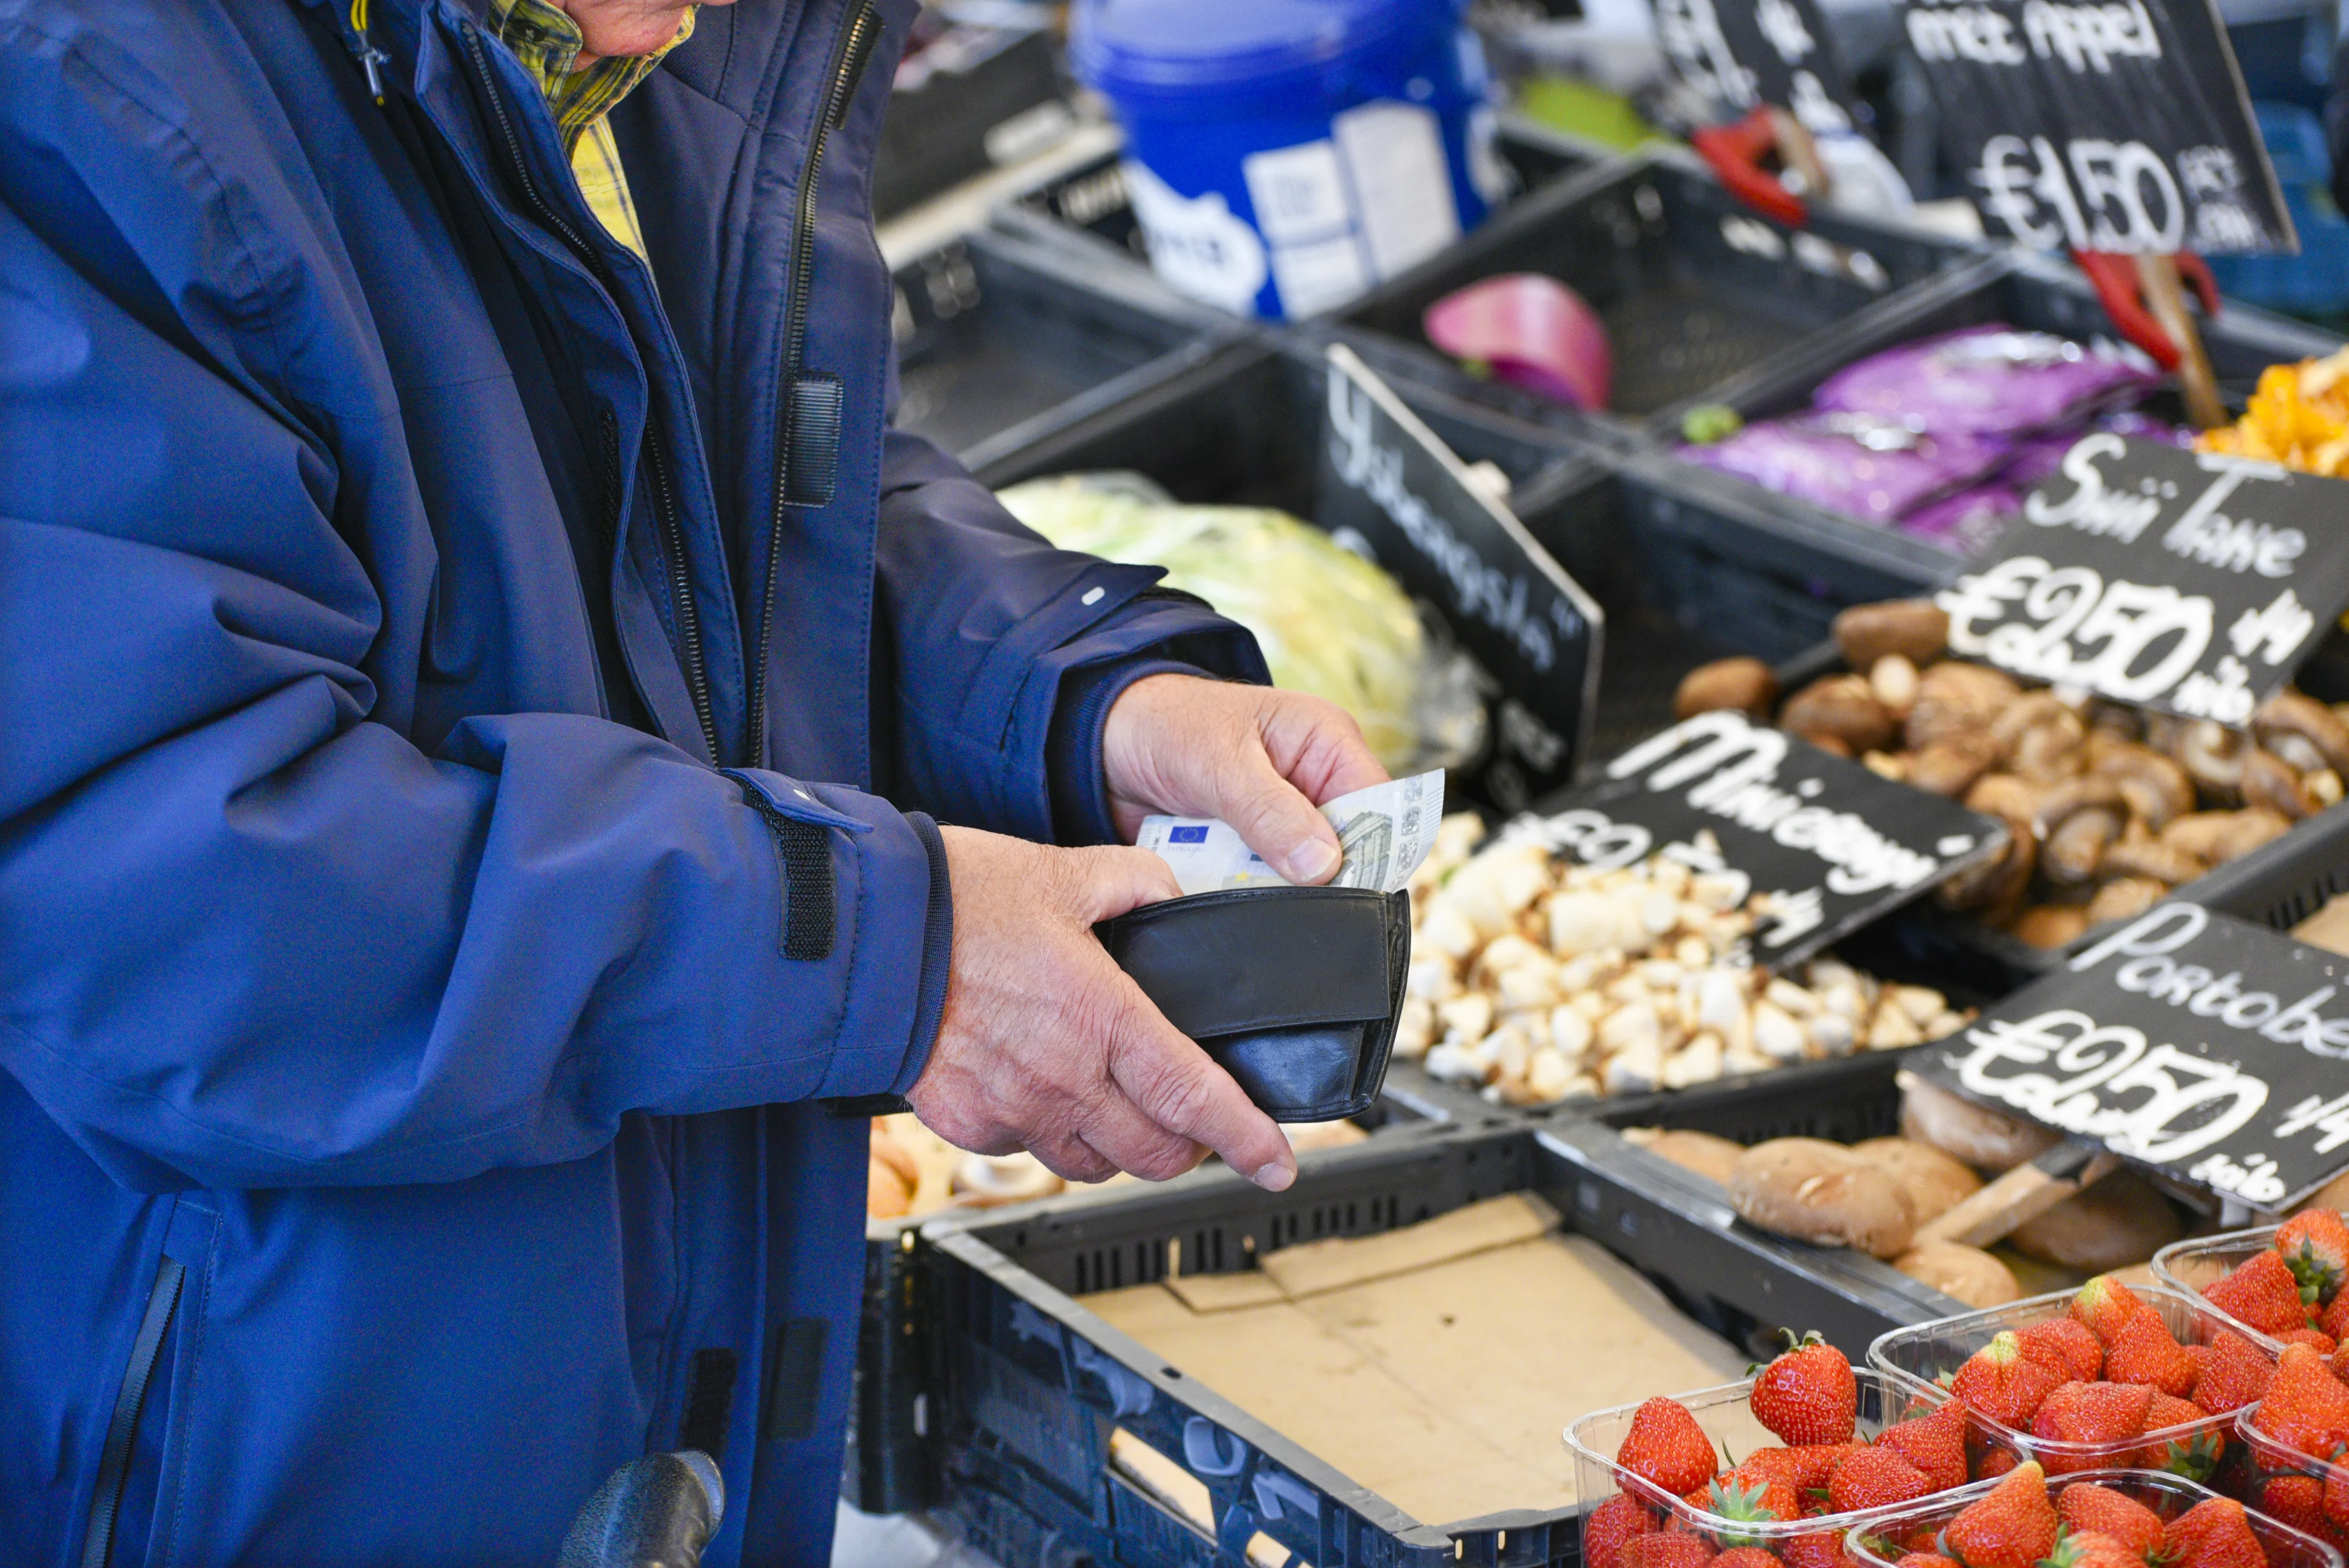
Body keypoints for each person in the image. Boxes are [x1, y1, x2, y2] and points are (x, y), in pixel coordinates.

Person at [0, 1, 1388, 1562]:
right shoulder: (70, 91)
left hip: (675, 1379)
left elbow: (715, 510)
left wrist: (1078, 702)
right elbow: (174, 883)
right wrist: (882, 952)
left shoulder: (624, 45)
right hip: (278, 1441)